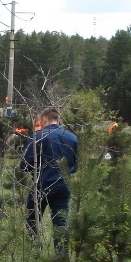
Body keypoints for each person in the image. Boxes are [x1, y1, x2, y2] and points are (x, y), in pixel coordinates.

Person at [20, 107, 79, 253]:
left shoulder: (38, 137)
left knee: (32, 217)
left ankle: (35, 252)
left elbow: (24, 165)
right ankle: (61, 257)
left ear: (44, 119)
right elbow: (75, 165)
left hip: (42, 184)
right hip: (63, 185)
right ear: (57, 119)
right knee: (61, 222)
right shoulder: (72, 138)